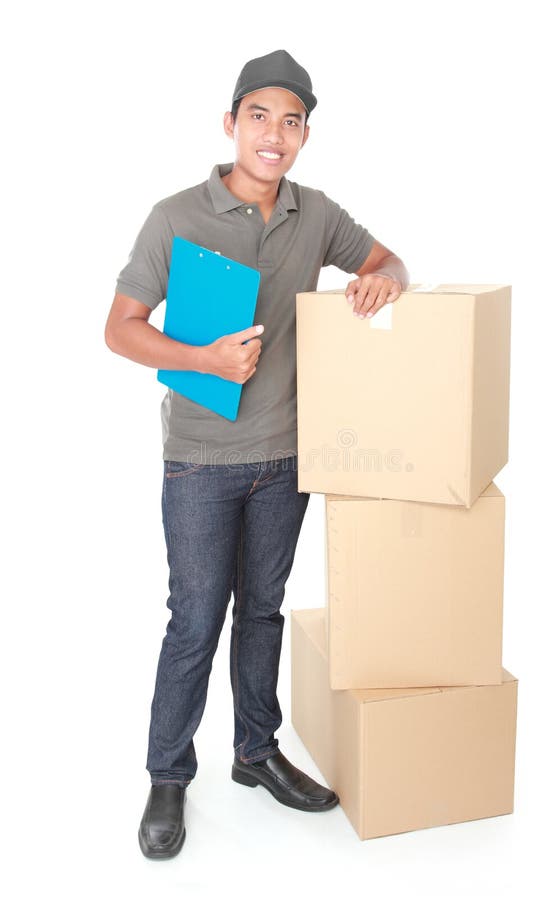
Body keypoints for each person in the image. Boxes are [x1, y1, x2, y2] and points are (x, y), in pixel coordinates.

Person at [105, 48, 409, 860]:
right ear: (231, 124)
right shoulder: (177, 216)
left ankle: (254, 753)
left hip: (286, 457)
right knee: (196, 618)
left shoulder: (317, 214)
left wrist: (386, 279)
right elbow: (119, 327)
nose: (275, 135)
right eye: (260, 117)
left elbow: (387, 261)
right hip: (202, 459)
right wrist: (204, 358)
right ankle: (169, 774)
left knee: (264, 610)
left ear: (306, 135)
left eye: (293, 121)